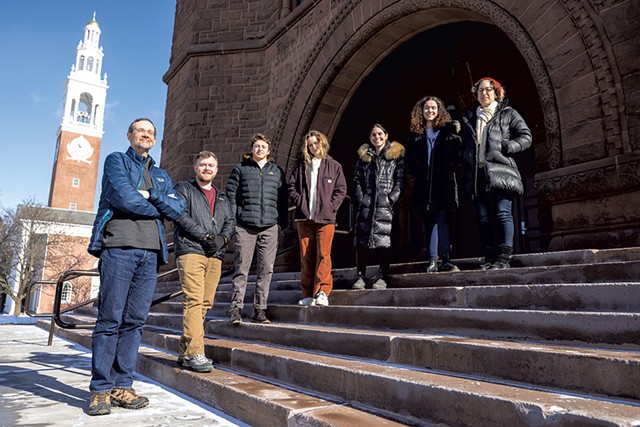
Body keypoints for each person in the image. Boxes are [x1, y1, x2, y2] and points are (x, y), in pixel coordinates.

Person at [86, 118, 185, 416]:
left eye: (151, 132)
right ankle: (101, 389)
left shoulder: (162, 174)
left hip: (151, 253)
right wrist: (158, 203)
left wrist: (151, 195)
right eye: (141, 130)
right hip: (119, 247)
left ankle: (122, 385)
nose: (146, 135)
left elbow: (178, 208)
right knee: (110, 319)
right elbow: (124, 198)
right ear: (129, 136)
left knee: (135, 322)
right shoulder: (116, 161)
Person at [461, 77, 532, 269]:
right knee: (483, 218)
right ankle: (490, 257)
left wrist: (507, 146)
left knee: (502, 213)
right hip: (478, 172)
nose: (484, 93)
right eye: (480, 91)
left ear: (496, 93)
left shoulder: (508, 114)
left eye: (488, 90)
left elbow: (526, 136)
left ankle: (504, 258)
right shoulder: (470, 117)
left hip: (501, 169)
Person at [173, 151, 234, 372]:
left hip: (215, 255)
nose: (207, 168)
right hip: (191, 251)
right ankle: (197, 353)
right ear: (195, 167)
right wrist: (204, 236)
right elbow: (180, 216)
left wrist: (223, 239)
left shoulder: (223, 197)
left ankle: (185, 351)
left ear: (216, 170)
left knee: (205, 303)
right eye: (203, 165)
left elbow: (230, 221)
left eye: (211, 165)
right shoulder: (183, 189)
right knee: (194, 301)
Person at [226, 133, 288, 324]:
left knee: (266, 269)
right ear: (252, 149)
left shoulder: (276, 171)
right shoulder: (240, 169)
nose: (259, 149)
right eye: (256, 146)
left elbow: (283, 199)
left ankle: (259, 310)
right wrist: (236, 218)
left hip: (269, 226)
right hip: (245, 226)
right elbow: (231, 196)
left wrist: (281, 223)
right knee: (242, 268)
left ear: (268, 151)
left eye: (263, 147)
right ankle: (235, 309)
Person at [287, 130, 347, 307]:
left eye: (316, 143)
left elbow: (341, 189)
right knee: (306, 256)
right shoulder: (301, 165)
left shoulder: (333, 165)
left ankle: (322, 291)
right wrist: (300, 202)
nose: (314, 147)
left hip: (325, 218)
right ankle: (307, 293)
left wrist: (331, 206)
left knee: (324, 254)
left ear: (323, 143)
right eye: (310, 144)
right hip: (304, 218)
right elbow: (291, 186)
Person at [407, 96, 463, 272]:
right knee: (429, 222)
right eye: (426, 108)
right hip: (424, 184)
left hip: (442, 182)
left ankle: (446, 259)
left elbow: (457, 152)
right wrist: (419, 171)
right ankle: (432, 259)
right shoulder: (416, 135)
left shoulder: (446, 131)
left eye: (433, 108)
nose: (430, 111)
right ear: (421, 112)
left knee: (443, 220)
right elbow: (409, 159)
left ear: (439, 111)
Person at [352, 124, 405, 290]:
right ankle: (360, 275)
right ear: (370, 137)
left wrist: (391, 199)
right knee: (361, 241)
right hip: (367, 204)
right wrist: (361, 199)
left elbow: (400, 180)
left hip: (385, 205)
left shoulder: (396, 157)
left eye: (380, 134)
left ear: (386, 135)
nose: (377, 137)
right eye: (373, 135)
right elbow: (356, 180)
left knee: (385, 241)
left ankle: (382, 275)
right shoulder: (364, 157)